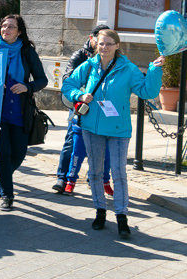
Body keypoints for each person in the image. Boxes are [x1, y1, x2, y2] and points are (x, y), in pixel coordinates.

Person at [62, 29, 163, 238]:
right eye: (101, 44)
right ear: (95, 45)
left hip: (118, 130)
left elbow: (148, 92)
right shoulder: (89, 65)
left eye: (109, 44)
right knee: (95, 173)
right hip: (91, 128)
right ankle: (100, 211)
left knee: (118, 174)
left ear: (117, 46)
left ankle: (121, 216)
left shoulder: (128, 68)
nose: (104, 48)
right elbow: (67, 84)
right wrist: (80, 94)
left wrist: (154, 70)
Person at [0, 15, 48, 212]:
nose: (6, 29)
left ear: (19, 32)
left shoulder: (27, 52)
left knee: (19, 153)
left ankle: (1, 176)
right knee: (3, 154)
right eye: (4, 25)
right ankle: (7, 194)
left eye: (11, 27)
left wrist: (27, 86)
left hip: (20, 110)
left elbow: (42, 80)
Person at [53, 24, 111, 193]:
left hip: (101, 106)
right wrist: (81, 93)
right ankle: (62, 178)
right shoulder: (80, 55)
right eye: (100, 39)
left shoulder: (111, 57)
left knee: (101, 144)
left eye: (107, 40)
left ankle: (94, 179)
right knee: (72, 142)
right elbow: (68, 77)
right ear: (91, 38)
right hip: (82, 106)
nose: (103, 44)